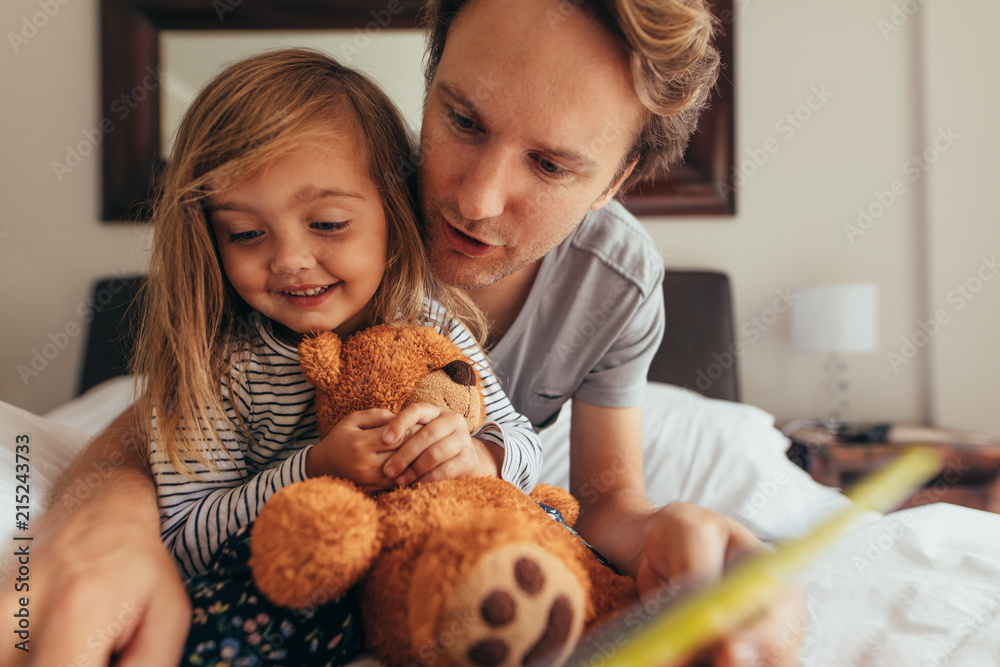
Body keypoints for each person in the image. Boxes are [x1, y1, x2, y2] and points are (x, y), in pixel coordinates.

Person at [0, 1, 802, 666]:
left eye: (551, 165)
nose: (477, 201)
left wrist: (676, 538)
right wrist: (103, 520)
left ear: (618, 179)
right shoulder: (344, 183)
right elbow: (168, 419)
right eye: (461, 118)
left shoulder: (610, 286)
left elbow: (604, 499)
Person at [135, 48, 543, 664]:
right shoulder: (218, 367)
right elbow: (187, 540)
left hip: (424, 561)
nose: (290, 260)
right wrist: (314, 468)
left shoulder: (428, 323)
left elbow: (524, 442)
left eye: (327, 223)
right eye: (246, 234)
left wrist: (478, 455)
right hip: (297, 585)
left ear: (392, 209)